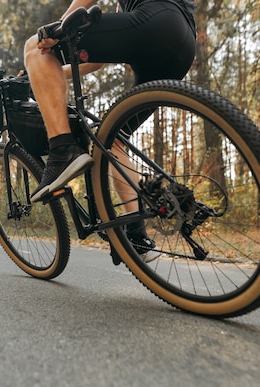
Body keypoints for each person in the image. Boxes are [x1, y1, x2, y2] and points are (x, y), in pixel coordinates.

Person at [24, 0, 196, 259]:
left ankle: (62, 148)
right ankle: (137, 236)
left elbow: (52, 42)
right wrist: (44, 74)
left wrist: (56, 30)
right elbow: (94, 64)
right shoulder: (124, 7)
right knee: (111, 141)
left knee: (35, 46)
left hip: (155, 21)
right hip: (182, 45)